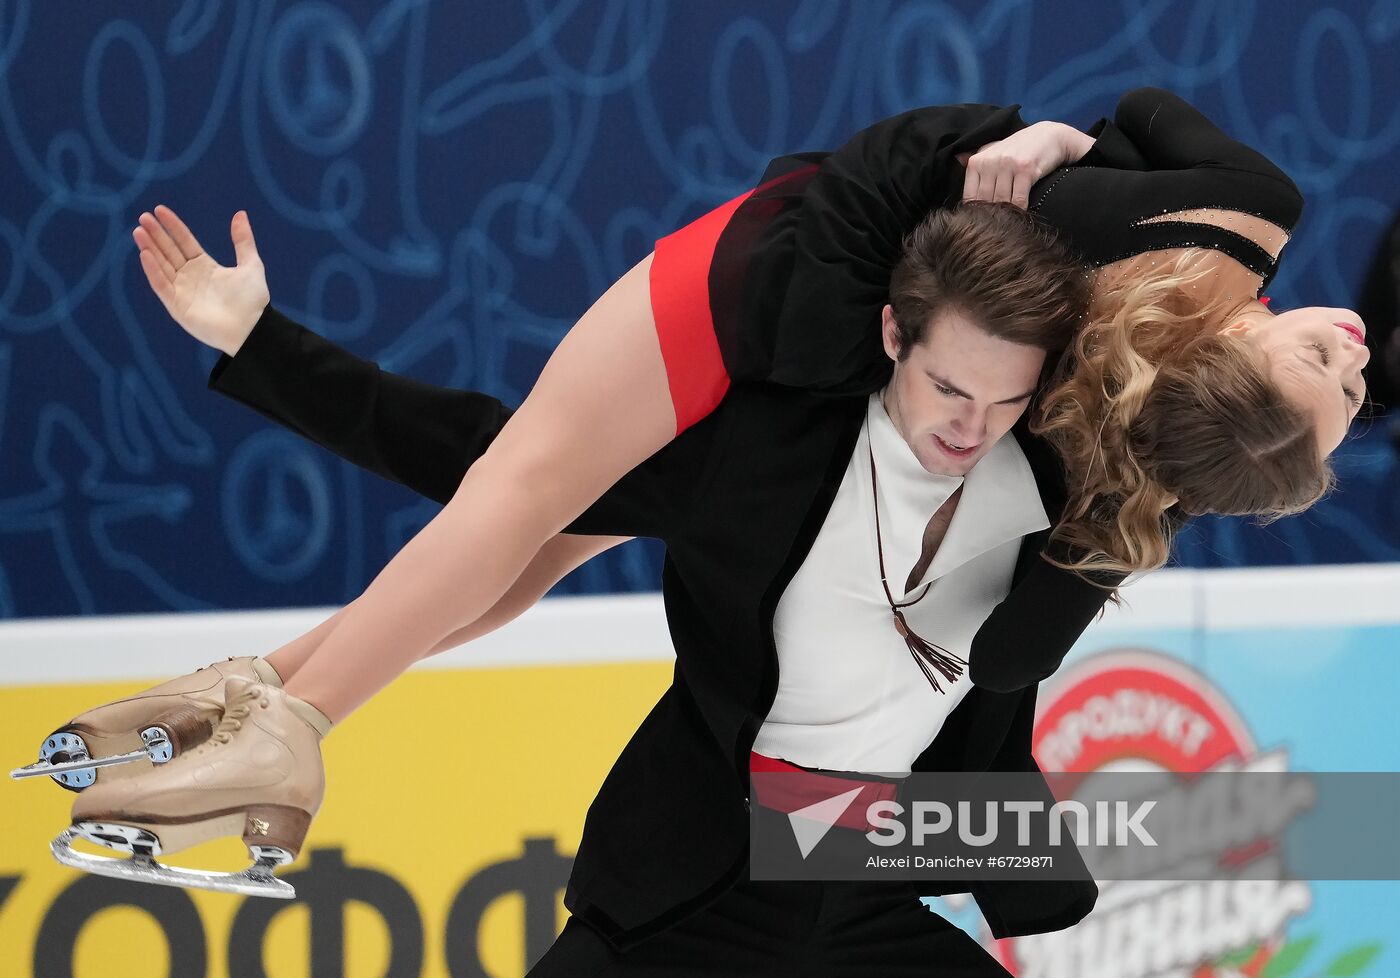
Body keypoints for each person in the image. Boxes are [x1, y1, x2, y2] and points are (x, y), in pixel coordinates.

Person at [20, 86, 1368, 956]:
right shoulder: (779, 443)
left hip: (864, 854)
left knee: (519, 552)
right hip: (713, 870)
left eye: (994, 399)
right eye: (946, 383)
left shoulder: (1049, 513)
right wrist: (266, 345)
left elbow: (1019, 673)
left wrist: (1308, 825)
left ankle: (250, 710)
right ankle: (266, 719)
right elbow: (484, 458)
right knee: (523, 516)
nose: (963, 420)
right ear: (892, 337)